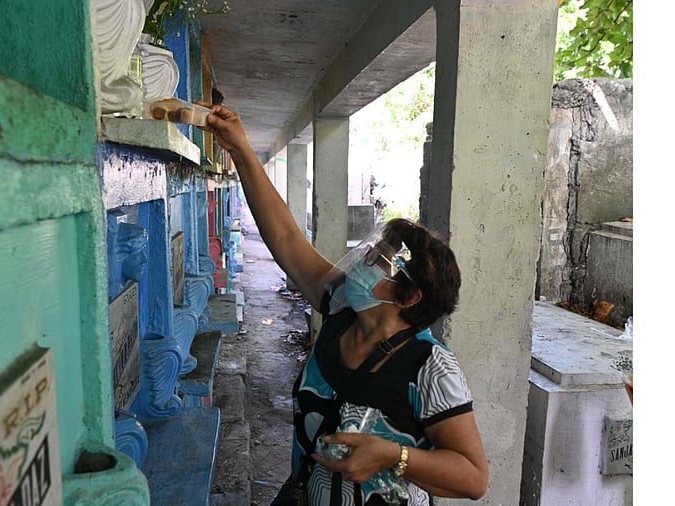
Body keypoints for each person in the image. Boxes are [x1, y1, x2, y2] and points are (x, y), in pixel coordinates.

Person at [198, 102, 488, 505]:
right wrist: (240, 150)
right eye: (375, 249)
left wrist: (395, 455)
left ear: (409, 297)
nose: (366, 260)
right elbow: (284, 236)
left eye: (381, 261)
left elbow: (473, 478)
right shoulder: (340, 308)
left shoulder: (431, 368)